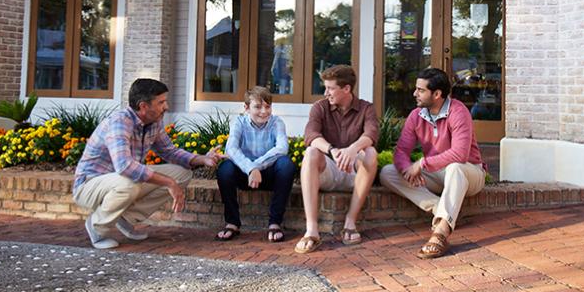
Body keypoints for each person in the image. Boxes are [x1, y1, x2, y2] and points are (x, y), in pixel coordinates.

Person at [73, 78, 222, 249]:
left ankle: (126, 218)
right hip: (89, 185)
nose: (166, 107)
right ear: (143, 106)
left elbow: (169, 151)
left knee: (182, 173)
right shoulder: (120, 123)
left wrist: (202, 159)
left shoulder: (153, 123)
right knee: (129, 182)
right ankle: (97, 227)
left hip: (120, 181)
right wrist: (168, 183)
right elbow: (125, 166)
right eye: (161, 102)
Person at [379, 68, 487, 259]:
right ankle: (441, 209)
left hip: (469, 173)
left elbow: (460, 155)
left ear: (437, 94)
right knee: (388, 172)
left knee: (455, 168)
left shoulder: (458, 112)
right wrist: (407, 169)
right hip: (437, 174)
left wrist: (422, 164)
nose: (415, 94)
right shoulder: (416, 116)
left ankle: (441, 233)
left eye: (421, 90)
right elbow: (402, 151)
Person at [294, 65, 378, 254]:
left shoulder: (366, 108)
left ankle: (350, 222)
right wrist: (332, 151)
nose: (326, 93)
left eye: (330, 88)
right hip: (328, 171)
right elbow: (311, 134)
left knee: (370, 152)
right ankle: (312, 230)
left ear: (346, 89)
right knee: (311, 152)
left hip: (354, 174)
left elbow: (371, 134)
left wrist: (353, 149)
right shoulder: (320, 107)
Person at [215, 86, 296, 242]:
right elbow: (231, 149)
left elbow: (281, 148)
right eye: (258, 107)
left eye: (267, 106)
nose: (264, 111)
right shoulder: (239, 122)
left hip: (269, 176)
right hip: (244, 175)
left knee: (286, 165)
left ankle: (274, 223)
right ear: (246, 108)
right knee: (225, 169)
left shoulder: (277, 122)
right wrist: (250, 168)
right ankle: (232, 222)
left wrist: (256, 167)